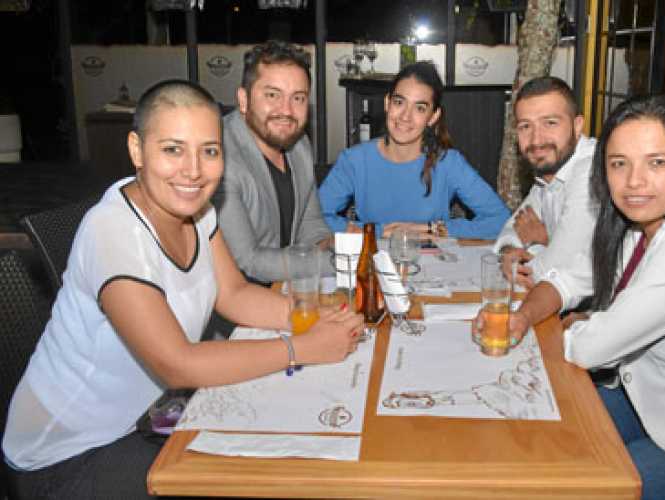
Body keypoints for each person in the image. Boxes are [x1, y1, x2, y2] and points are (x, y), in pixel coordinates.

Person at [2, 80, 362, 500]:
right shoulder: (113, 232)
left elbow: (234, 294)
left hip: (143, 422)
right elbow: (179, 364)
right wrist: (304, 348)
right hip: (66, 458)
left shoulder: (198, 211)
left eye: (209, 150)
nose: (193, 170)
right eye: (173, 149)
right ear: (137, 150)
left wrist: (316, 318)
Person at [475, 94, 665, 499]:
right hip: (655, 403)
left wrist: (587, 325)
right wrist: (521, 317)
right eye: (619, 163)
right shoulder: (637, 225)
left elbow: (591, 349)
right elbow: (570, 279)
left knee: (571, 490)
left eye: (658, 162)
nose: (635, 181)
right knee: (530, 436)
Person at [318, 61, 510, 240]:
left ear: (433, 116)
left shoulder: (449, 163)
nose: (405, 117)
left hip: (434, 270)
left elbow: (500, 220)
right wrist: (378, 231)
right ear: (387, 103)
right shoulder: (354, 161)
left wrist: (431, 229)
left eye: (419, 108)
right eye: (399, 102)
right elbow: (313, 220)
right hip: (372, 265)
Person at [213, 40, 331, 284]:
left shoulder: (299, 144)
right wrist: (339, 263)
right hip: (232, 306)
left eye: (298, 98)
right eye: (272, 95)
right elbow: (248, 260)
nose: (286, 111)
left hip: (287, 287)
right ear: (243, 99)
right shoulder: (218, 155)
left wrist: (332, 245)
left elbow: (310, 224)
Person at [492, 76, 597, 289]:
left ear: (577, 126)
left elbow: (557, 272)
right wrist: (509, 253)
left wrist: (538, 242)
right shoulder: (548, 173)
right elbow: (509, 232)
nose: (537, 139)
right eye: (525, 126)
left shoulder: (591, 172)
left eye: (550, 123)